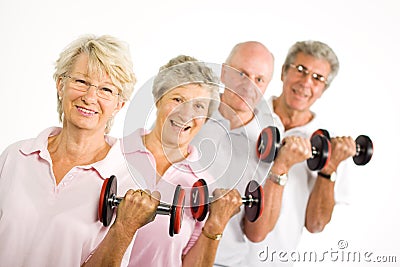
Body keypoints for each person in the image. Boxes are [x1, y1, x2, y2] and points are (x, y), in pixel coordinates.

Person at [0, 34, 159, 267]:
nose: (90, 97)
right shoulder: (16, 156)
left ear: (119, 104)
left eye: (106, 89)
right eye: (81, 82)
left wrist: (124, 228)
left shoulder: (130, 177)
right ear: (60, 85)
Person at [122, 55, 243, 267]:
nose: (186, 114)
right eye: (177, 99)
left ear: (206, 116)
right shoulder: (115, 153)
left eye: (198, 107)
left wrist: (216, 224)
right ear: (158, 99)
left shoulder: (203, 184)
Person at [245, 40, 357, 267]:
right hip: (217, 256)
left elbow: (316, 224)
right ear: (284, 71)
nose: (306, 82)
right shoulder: (246, 116)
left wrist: (330, 166)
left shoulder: (329, 143)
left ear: (324, 89)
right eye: (300, 70)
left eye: (317, 78)